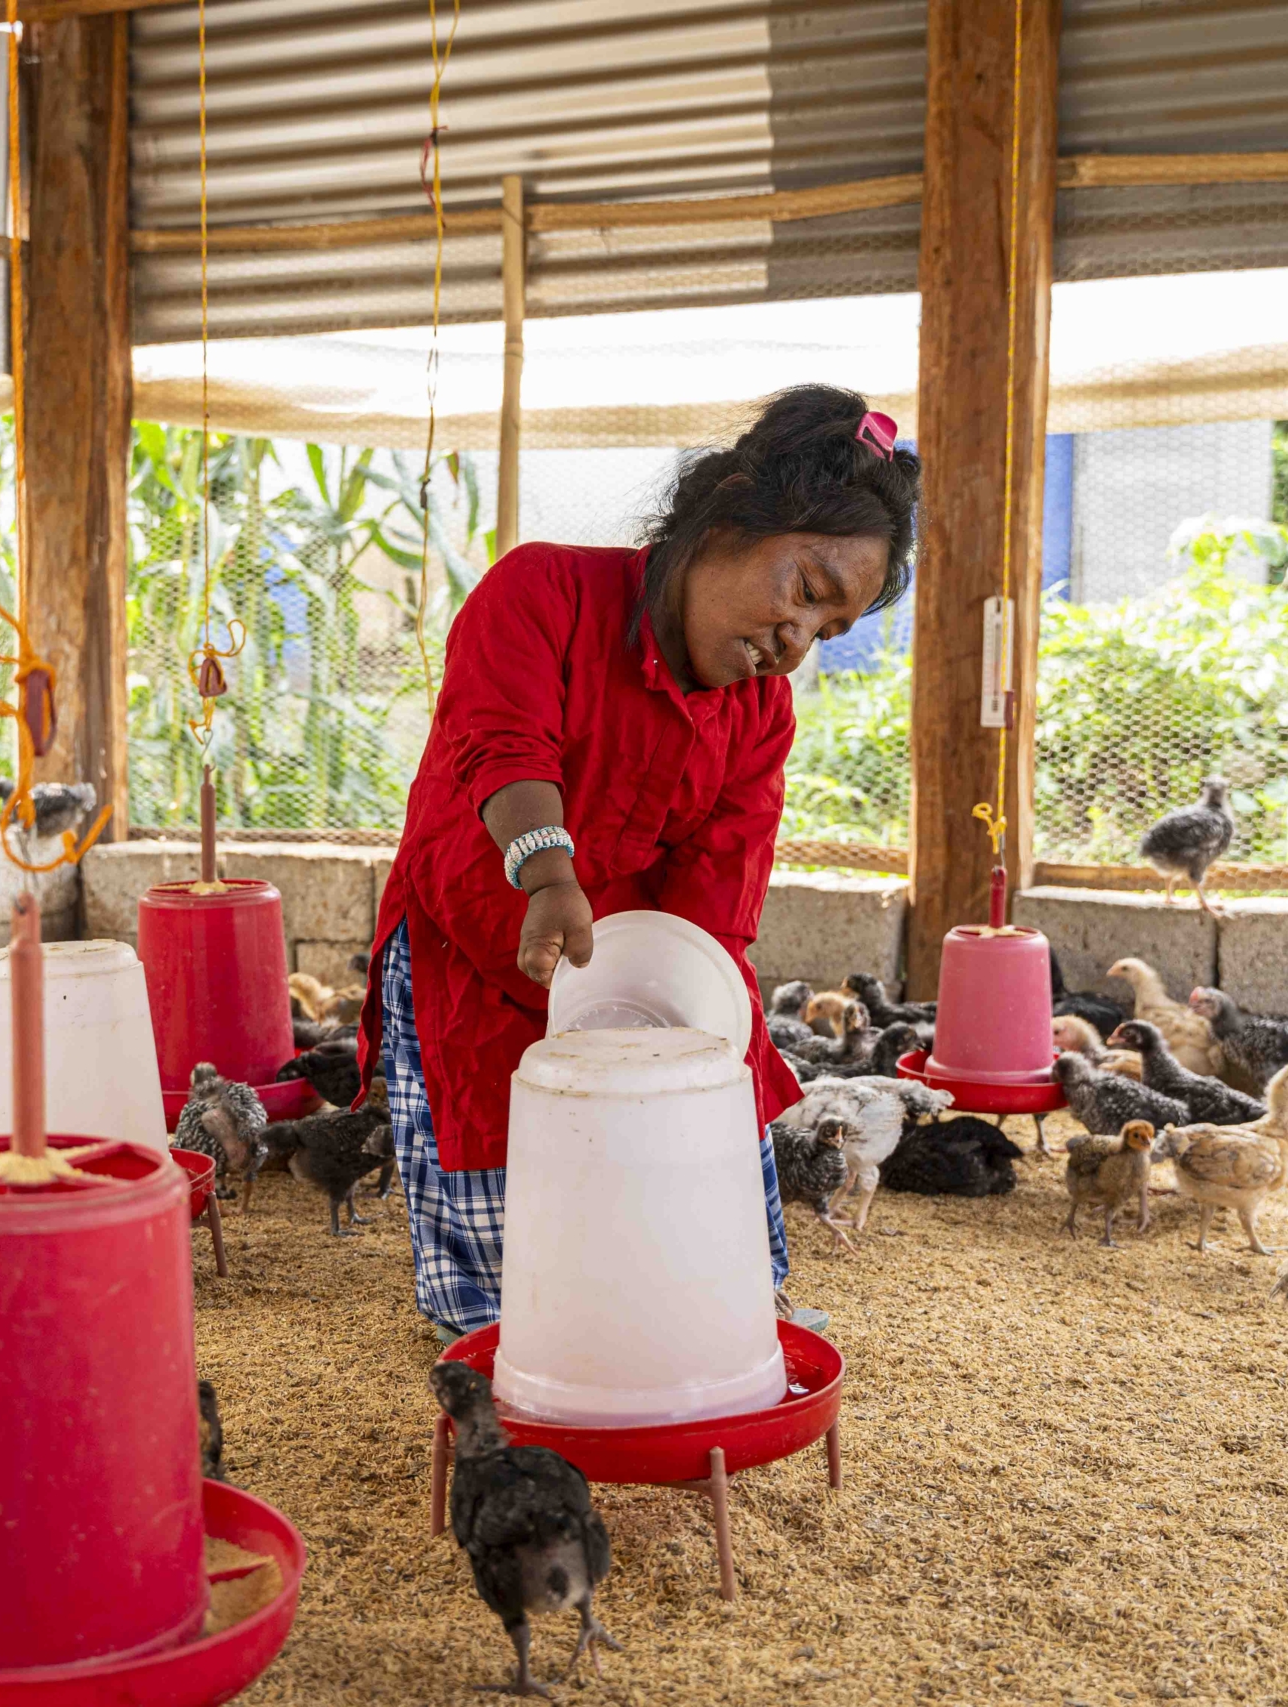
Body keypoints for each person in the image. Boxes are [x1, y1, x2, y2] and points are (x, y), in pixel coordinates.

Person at [354, 384, 920, 1338]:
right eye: (806, 590)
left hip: (639, 972)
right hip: (486, 936)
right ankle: (525, 1343)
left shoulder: (759, 712)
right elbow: (503, 743)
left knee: (694, 1180)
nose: (796, 643)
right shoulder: (544, 592)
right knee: (509, 1286)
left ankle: (694, 1321)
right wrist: (545, 871)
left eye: (827, 631)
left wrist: (687, 1032)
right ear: (734, 509)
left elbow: (720, 888)